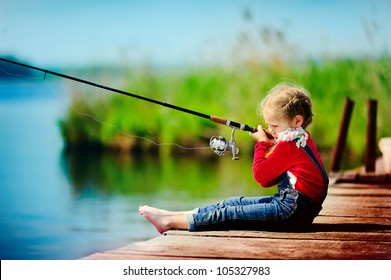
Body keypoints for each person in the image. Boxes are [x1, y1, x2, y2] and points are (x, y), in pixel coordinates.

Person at [139, 82, 329, 234]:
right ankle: (176, 215)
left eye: (275, 127)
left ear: (297, 121)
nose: (270, 130)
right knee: (233, 202)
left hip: (292, 213)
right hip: (295, 208)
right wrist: (273, 144)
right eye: (268, 126)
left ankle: (170, 222)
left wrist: (262, 144)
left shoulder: (289, 145)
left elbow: (261, 177)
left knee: (232, 213)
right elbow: (270, 179)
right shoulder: (300, 140)